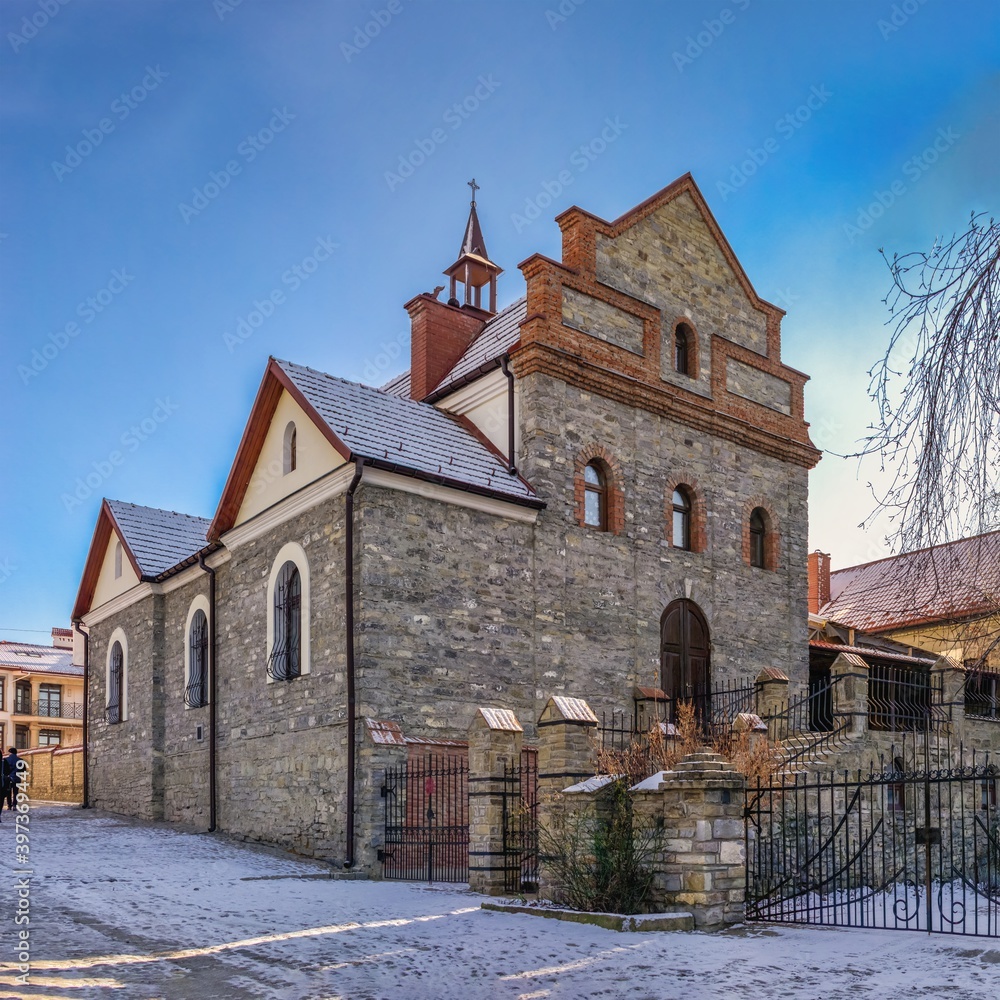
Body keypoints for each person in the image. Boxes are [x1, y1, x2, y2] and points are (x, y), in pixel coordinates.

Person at [2, 747, 22, 816]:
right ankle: (14, 805)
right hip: (17, 778)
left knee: (8, 792)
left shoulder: (6, 760)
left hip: (8, 778)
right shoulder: (20, 760)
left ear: (10, 752)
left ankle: (9, 805)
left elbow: (4, 770)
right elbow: (23, 770)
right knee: (15, 792)